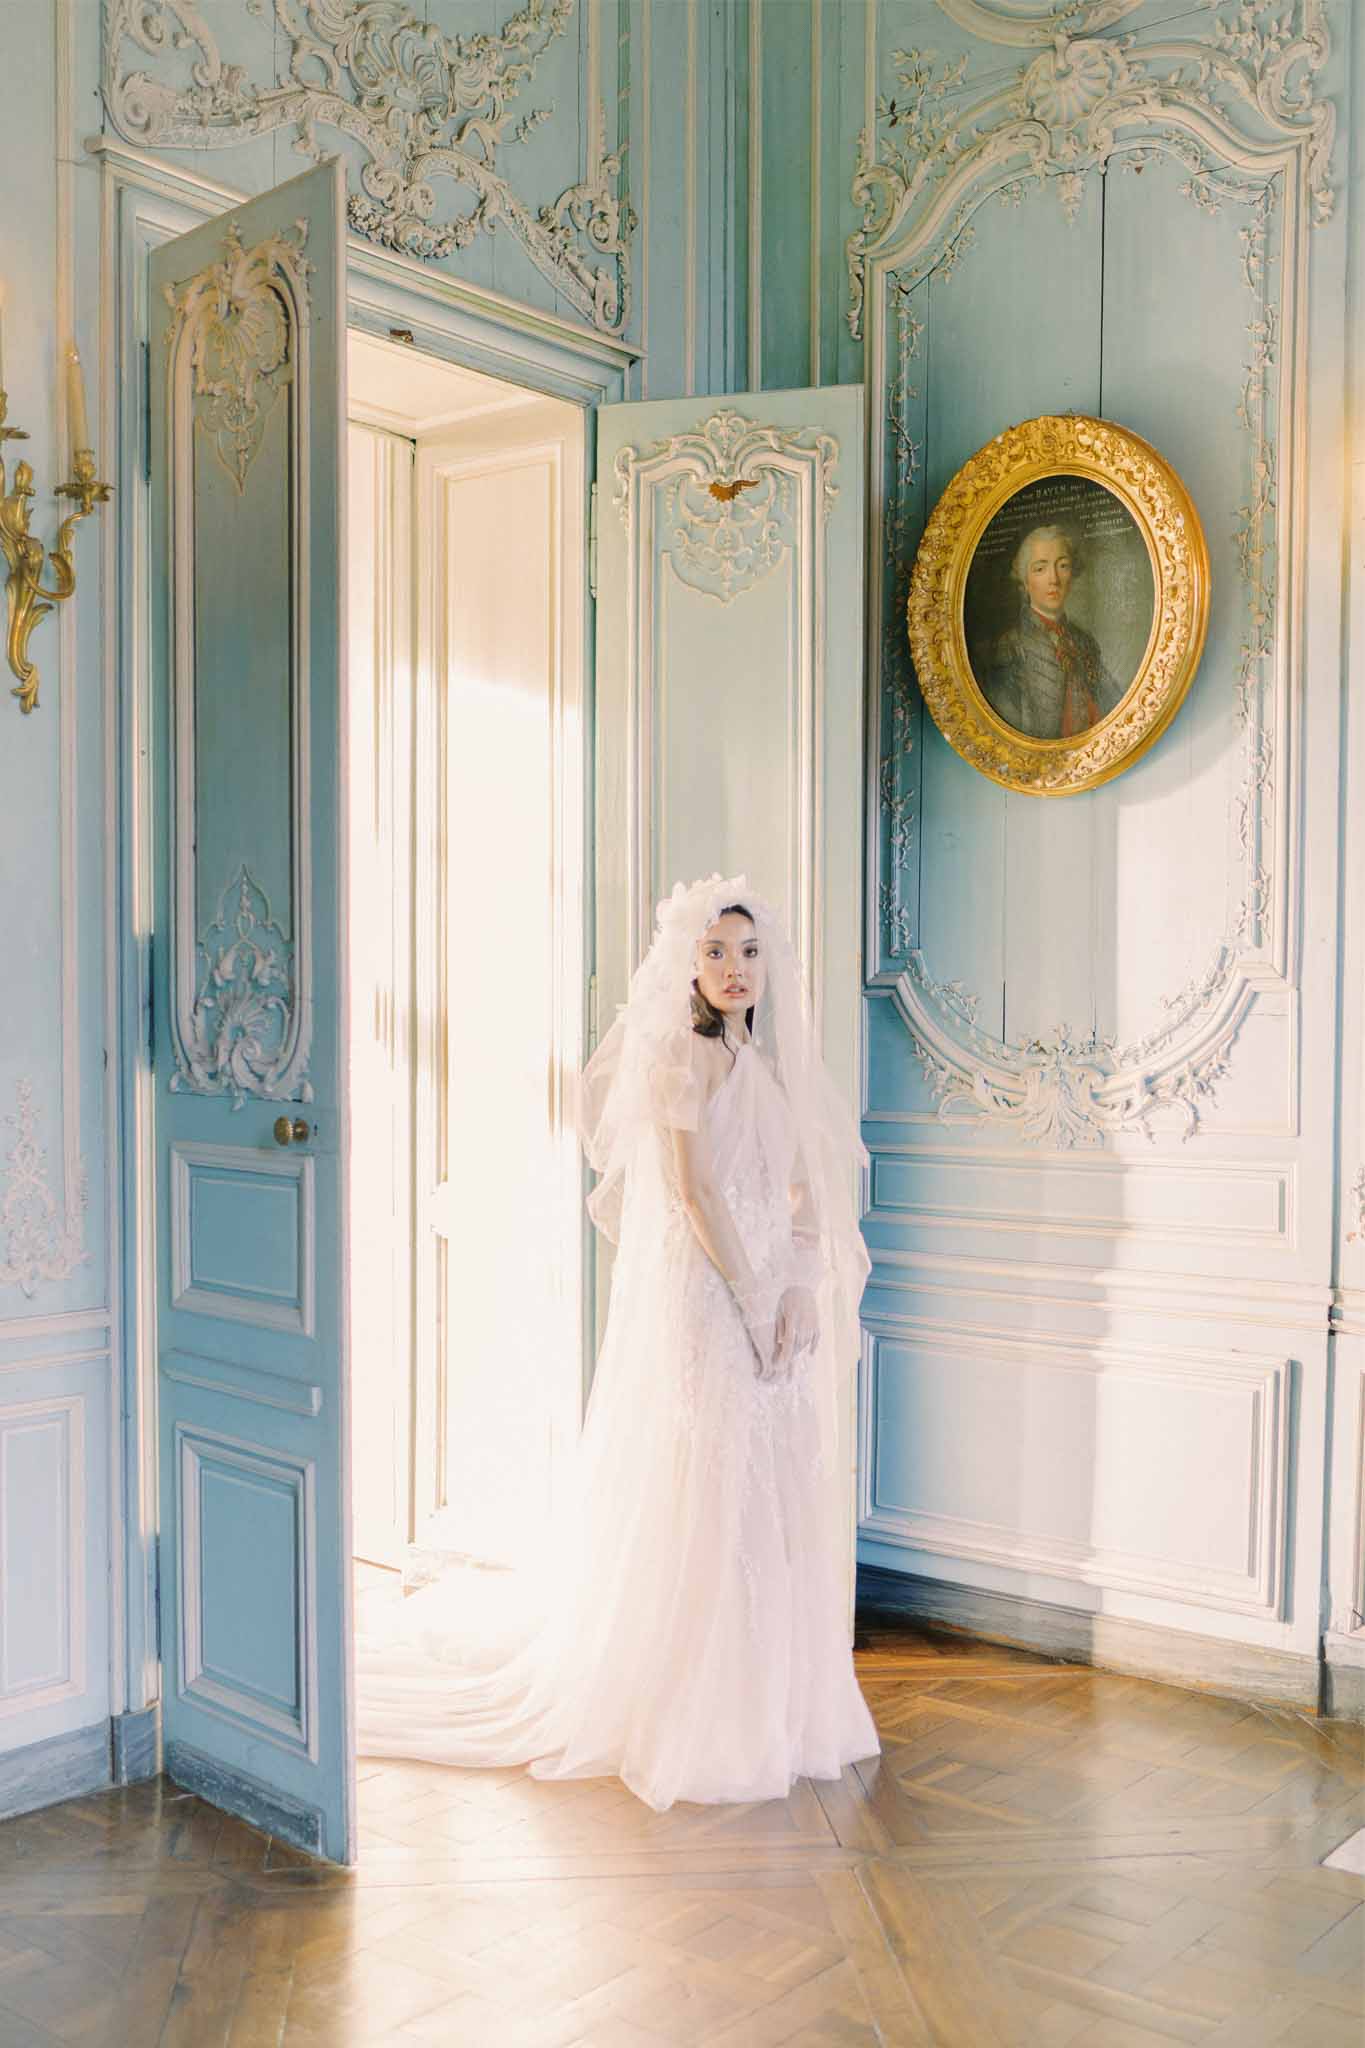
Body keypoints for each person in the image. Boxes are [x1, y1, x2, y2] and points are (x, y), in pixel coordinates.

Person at [356, 874, 880, 1811]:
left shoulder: (773, 1061)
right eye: (715, 952)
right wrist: (755, 1296)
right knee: (709, 1469)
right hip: (706, 1292)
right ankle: (696, 1703)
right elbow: (692, 1192)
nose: (734, 969)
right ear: (685, 964)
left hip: (766, 1285)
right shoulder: (678, 1057)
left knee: (773, 1470)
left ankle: (777, 1702)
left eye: (749, 952)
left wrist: (800, 1285)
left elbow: (803, 1186)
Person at [979, 522, 1124, 739]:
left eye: (1063, 565)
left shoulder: (1084, 642)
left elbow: (1115, 707)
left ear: (1072, 575)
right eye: (1040, 568)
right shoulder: (1010, 646)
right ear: (1025, 581)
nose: (1053, 579)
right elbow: (1007, 728)